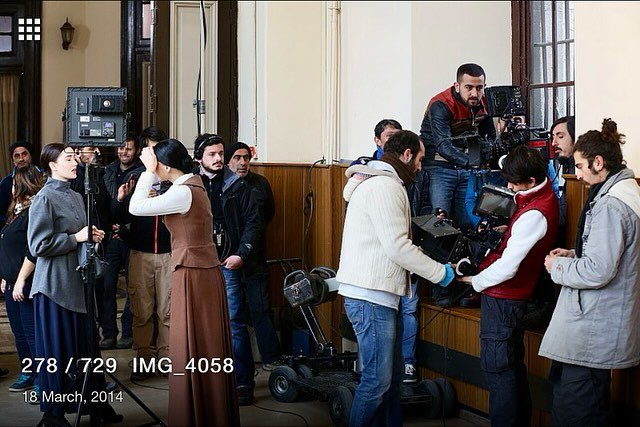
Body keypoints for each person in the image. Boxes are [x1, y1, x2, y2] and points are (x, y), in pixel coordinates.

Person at [336, 130, 455, 427]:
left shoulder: (381, 182)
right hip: (371, 297)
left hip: (377, 296)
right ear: (405, 155)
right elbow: (397, 247)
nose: (420, 166)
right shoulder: (385, 187)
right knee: (377, 383)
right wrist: (442, 274)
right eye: (419, 159)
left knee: (389, 385)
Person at [128, 138, 240, 426]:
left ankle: (198, 414)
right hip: (198, 270)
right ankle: (205, 411)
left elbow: (136, 207)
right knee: (199, 344)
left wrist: (149, 172)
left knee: (194, 343)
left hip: (194, 272)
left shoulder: (184, 192)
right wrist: (154, 172)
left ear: (164, 165)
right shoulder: (189, 186)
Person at [540, 119, 640, 427]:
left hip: (592, 331)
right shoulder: (626, 193)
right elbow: (612, 256)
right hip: (598, 326)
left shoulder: (611, 204)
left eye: (581, 166)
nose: (578, 174)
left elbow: (598, 271)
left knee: (576, 413)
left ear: (599, 162)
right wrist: (573, 254)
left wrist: (558, 266)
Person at [459, 146, 559, 427]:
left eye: (514, 182)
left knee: (498, 371)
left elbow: (508, 267)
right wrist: (509, 231)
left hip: (504, 299)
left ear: (530, 181)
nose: (509, 186)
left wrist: (475, 282)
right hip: (511, 299)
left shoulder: (534, 214)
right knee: (511, 369)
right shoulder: (540, 196)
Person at [27, 143, 120, 426]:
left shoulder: (77, 196)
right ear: (52, 165)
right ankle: (53, 415)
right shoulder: (44, 199)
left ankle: (96, 407)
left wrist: (92, 234)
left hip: (78, 282)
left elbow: (79, 233)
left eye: (74, 157)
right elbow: (38, 245)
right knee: (57, 352)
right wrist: (76, 238)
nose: (75, 162)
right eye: (68, 158)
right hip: (55, 287)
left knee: (88, 348)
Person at [420, 63, 496, 308]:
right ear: (457, 86)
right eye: (469, 88)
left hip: (466, 168)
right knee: (439, 226)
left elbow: (489, 140)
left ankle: (466, 287)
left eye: (480, 87)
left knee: (470, 225)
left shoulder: (483, 104)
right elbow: (442, 145)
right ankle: (441, 289)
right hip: (440, 167)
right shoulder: (440, 104)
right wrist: (472, 163)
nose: (475, 93)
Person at [194, 134, 262, 405]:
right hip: (198, 263)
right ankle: (205, 379)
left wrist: (241, 254)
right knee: (198, 323)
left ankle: (243, 381)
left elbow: (254, 223)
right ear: (199, 157)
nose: (219, 159)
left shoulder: (238, 186)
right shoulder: (190, 183)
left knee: (234, 321)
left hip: (228, 262)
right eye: (212, 154)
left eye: (221, 153)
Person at [112, 127, 173, 380]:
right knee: (142, 311)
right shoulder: (136, 177)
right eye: (149, 148)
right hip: (140, 253)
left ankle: (168, 358)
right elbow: (119, 219)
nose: (154, 154)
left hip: (170, 253)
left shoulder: (175, 178)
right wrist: (120, 199)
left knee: (168, 311)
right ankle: (144, 360)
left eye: (158, 148)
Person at [225, 141, 282, 370]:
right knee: (232, 313)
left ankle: (271, 357)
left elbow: (267, 215)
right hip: (227, 258)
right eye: (237, 158)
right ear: (228, 160)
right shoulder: (222, 184)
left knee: (261, 308)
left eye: (246, 158)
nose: (242, 162)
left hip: (255, 257)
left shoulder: (260, 184)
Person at [0, 165, 43, 396]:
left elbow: (32, 250)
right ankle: (27, 371)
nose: (12, 186)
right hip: (11, 282)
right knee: (18, 332)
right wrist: (5, 277)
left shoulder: (32, 211)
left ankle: (41, 378)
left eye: (15, 183)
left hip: (25, 283)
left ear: (24, 184)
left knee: (31, 332)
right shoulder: (14, 211)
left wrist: (19, 279)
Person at [100, 134, 144, 350]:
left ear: (136, 150)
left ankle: (128, 331)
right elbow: (105, 204)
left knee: (132, 287)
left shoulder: (143, 173)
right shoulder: (107, 171)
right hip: (110, 236)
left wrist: (125, 228)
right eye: (120, 148)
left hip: (133, 235)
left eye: (128, 148)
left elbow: (142, 207)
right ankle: (108, 333)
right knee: (107, 286)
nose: (123, 152)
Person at [0, 141, 37, 228]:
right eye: (17, 156)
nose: (21, 159)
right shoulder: (6, 183)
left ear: (30, 156)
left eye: (24, 154)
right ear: (13, 160)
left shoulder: (42, 177)